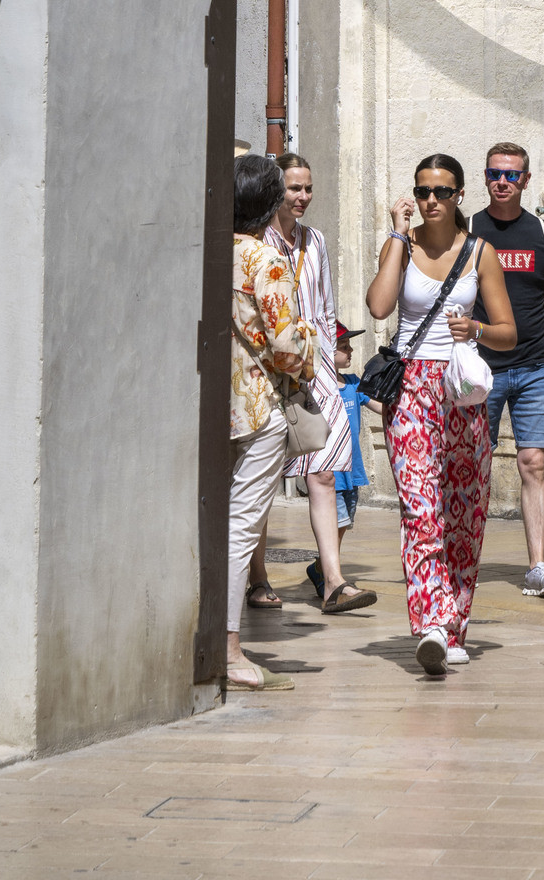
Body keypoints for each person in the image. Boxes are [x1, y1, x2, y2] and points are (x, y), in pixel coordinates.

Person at [365, 151, 518, 677]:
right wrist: (395, 236)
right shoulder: (401, 248)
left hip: (461, 390)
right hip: (410, 387)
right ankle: (430, 622)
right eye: (423, 191)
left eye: (442, 193)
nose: (432, 201)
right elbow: (379, 307)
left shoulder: (480, 252)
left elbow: (507, 331)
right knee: (421, 507)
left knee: (464, 511)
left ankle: (454, 625)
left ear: (459, 197)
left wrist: (474, 330)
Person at [245, 154, 377, 616]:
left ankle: (333, 582)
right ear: (274, 191)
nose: (302, 197)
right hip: (265, 369)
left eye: (307, 188)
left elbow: (323, 310)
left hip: (311, 367)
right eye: (293, 189)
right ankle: (256, 577)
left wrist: (325, 366)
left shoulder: (314, 240)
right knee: (261, 478)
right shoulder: (256, 241)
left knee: (324, 470)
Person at [471, 140, 544, 599]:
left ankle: (538, 566)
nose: (502, 182)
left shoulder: (543, 234)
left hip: (534, 366)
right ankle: (462, 557)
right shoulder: (470, 230)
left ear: (526, 180)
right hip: (479, 371)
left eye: (511, 175)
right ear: (484, 178)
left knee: (533, 462)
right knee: (472, 464)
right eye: (495, 174)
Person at [228, 153, 316, 691]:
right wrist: (311, 346)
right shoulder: (265, 260)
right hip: (260, 406)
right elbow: (285, 345)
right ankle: (231, 647)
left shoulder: (208, 251)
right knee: (244, 524)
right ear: (267, 204)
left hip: (215, 402)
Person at [333, 323, 370, 530]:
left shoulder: (354, 383)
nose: (351, 351)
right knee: (335, 524)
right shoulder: (321, 388)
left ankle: (322, 564)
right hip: (331, 472)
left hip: (352, 470)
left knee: (343, 527)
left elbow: (382, 407)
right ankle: (329, 563)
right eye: (344, 346)